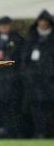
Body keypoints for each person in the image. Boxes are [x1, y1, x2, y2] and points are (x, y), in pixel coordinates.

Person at [0, 16, 24, 138]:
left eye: (6, 25)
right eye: (1, 25)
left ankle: (13, 132)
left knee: (13, 106)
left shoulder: (18, 39)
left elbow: (21, 59)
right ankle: (2, 131)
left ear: (10, 26)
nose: (4, 27)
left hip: (12, 80)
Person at [21, 10, 54, 138]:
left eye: (46, 21)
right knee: (35, 106)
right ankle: (39, 132)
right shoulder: (32, 37)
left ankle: (48, 132)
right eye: (41, 21)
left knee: (49, 106)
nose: (43, 23)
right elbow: (24, 57)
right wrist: (26, 73)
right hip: (34, 80)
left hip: (50, 79)